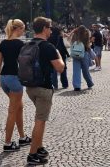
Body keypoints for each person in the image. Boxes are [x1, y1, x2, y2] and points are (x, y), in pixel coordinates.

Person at [24, 17, 64, 165]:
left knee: (39, 119)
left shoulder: (27, 44)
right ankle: (32, 154)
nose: (51, 30)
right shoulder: (48, 47)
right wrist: (59, 54)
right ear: (44, 29)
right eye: (50, 27)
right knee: (40, 121)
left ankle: (39, 147)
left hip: (29, 87)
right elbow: (60, 68)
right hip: (43, 88)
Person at [0, 19, 31, 152]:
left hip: (4, 79)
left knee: (19, 107)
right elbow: (25, 64)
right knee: (12, 111)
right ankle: (8, 143)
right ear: (18, 29)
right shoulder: (20, 44)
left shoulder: (3, 43)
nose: (24, 31)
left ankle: (22, 137)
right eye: (23, 29)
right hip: (14, 79)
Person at [68, 25, 94, 91]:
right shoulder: (86, 34)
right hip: (84, 53)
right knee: (86, 71)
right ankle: (89, 83)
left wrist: (73, 31)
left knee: (76, 71)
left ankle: (77, 86)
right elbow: (88, 44)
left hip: (75, 54)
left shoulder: (75, 34)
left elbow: (71, 41)